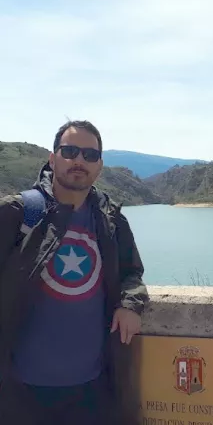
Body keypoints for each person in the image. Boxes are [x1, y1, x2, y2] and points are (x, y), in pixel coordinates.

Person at [0, 120, 149, 424]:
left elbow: (132, 272)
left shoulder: (111, 221)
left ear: (99, 167)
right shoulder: (17, 214)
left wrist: (130, 304)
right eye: (69, 151)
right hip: (19, 393)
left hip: (91, 392)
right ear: (52, 159)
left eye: (89, 155)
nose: (79, 161)